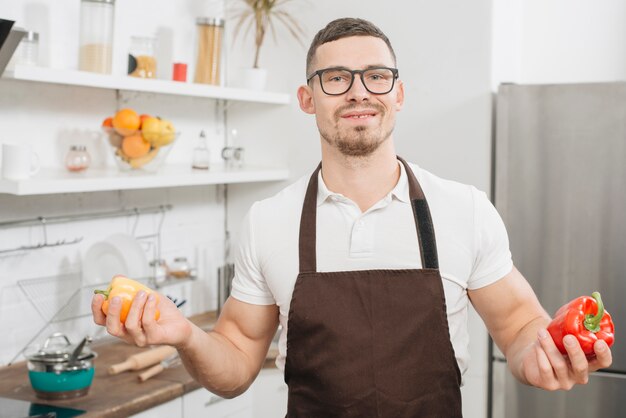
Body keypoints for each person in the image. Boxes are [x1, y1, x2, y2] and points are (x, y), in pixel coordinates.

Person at [92, 17, 613, 417]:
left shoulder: (464, 209)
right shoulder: (269, 221)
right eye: (336, 77)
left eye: (376, 76)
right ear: (307, 98)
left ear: (398, 94)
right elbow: (235, 362)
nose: (359, 91)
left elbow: (520, 324)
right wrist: (185, 335)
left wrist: (540, 357)